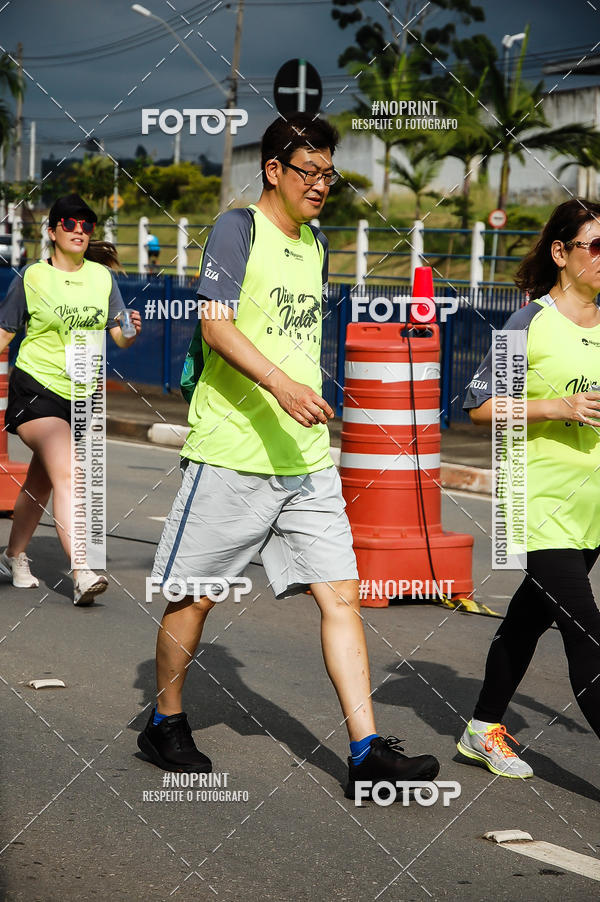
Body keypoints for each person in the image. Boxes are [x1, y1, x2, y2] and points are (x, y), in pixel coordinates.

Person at [137, 113, 440, 797]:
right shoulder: (236, 228)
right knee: (197, 596)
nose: (321, 185)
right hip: (233, 450)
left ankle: (366, 752)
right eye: (310, 171)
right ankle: (164, 721)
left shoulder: (317, 244)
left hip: (304, 456)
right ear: (273, 170)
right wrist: (279, 384)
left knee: (341, 594)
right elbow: (215, 325)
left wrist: (299, 396)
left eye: (330, 174)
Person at [458, 198, 600, 778]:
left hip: (591, 509)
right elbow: (480, 407)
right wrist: (557, 406)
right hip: (537, 504)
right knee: (587, 634)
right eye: (597, 246)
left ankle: (481, 727)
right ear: (561, 253)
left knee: (528, 618)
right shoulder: (530, 323)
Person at [0, 193, 142, 604]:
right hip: (36, 389)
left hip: (81, 398)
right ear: (52, 231)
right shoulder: (33, 277)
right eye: (69, 223)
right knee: (69, 472)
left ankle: (13, 555)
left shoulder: (102, 278)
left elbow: (119, 336)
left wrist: (130, 329)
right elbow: (4, 333)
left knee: (42, 482)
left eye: (86, 225)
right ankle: (82, 571)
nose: (79, 230)